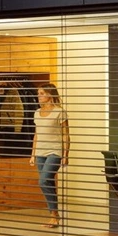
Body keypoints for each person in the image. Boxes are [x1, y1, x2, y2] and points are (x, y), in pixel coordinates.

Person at [30, 83, 70, 228]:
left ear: (49, 95)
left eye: (41, 93)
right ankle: (54, 215)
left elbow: (66, 134)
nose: (38, 96)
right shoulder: (36, 112)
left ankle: (54, 214)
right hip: (40, 152)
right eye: (38, 93)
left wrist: (66, 155)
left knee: (43, 181)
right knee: (48, 183)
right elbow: (36, 134)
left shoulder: (59, 112)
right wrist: (33, 154)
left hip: (55, 151)